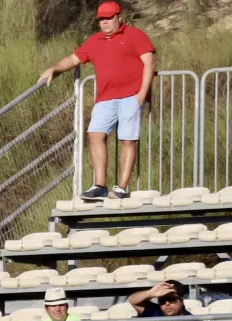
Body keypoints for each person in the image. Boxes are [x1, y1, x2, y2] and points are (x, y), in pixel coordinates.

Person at [39, 1, 156, 199]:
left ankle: (121, 188)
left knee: (128, 139)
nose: (105, 22)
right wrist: (54, 68)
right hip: (105, 98)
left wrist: (141, 94)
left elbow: (149, 62)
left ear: (119, 17)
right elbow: (74, 59)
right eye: (101, 19)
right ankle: (99, 185)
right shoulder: (94, 41)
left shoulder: (135, 35)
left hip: (131, 96)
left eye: (109, 18)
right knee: (94, 134)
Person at [128, 277, 201, 321]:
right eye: (162, 300)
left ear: (181, 301)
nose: (167, 303)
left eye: (171, 299)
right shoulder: (155, 312)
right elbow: (133, 301)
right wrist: (151, 293)